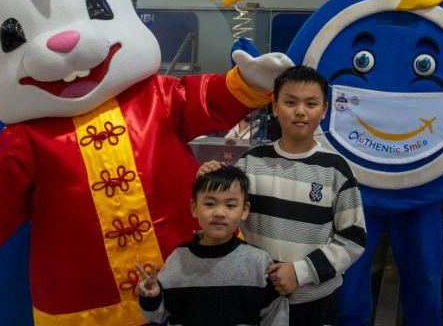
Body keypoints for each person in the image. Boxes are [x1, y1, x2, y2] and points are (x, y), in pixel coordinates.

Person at [199, 65, 367, 326]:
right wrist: (209, 182)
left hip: (315, 301)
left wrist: (300, 272)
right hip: (256, 297)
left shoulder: (336, 169)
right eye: (290, 102)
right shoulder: (250, 163)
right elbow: (224, 216)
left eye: (311, 103)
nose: (300, 111)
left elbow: (353, 239)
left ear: (324, 110)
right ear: (275, 107)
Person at [137, 166, 288, 326]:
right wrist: (151, 296)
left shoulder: (259, 262)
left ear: (244, 210)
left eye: (230, 205)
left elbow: (275, 316)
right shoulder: (178, 259)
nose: (219, 213)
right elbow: (156, 315)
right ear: (194, 207)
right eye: (210, 204)